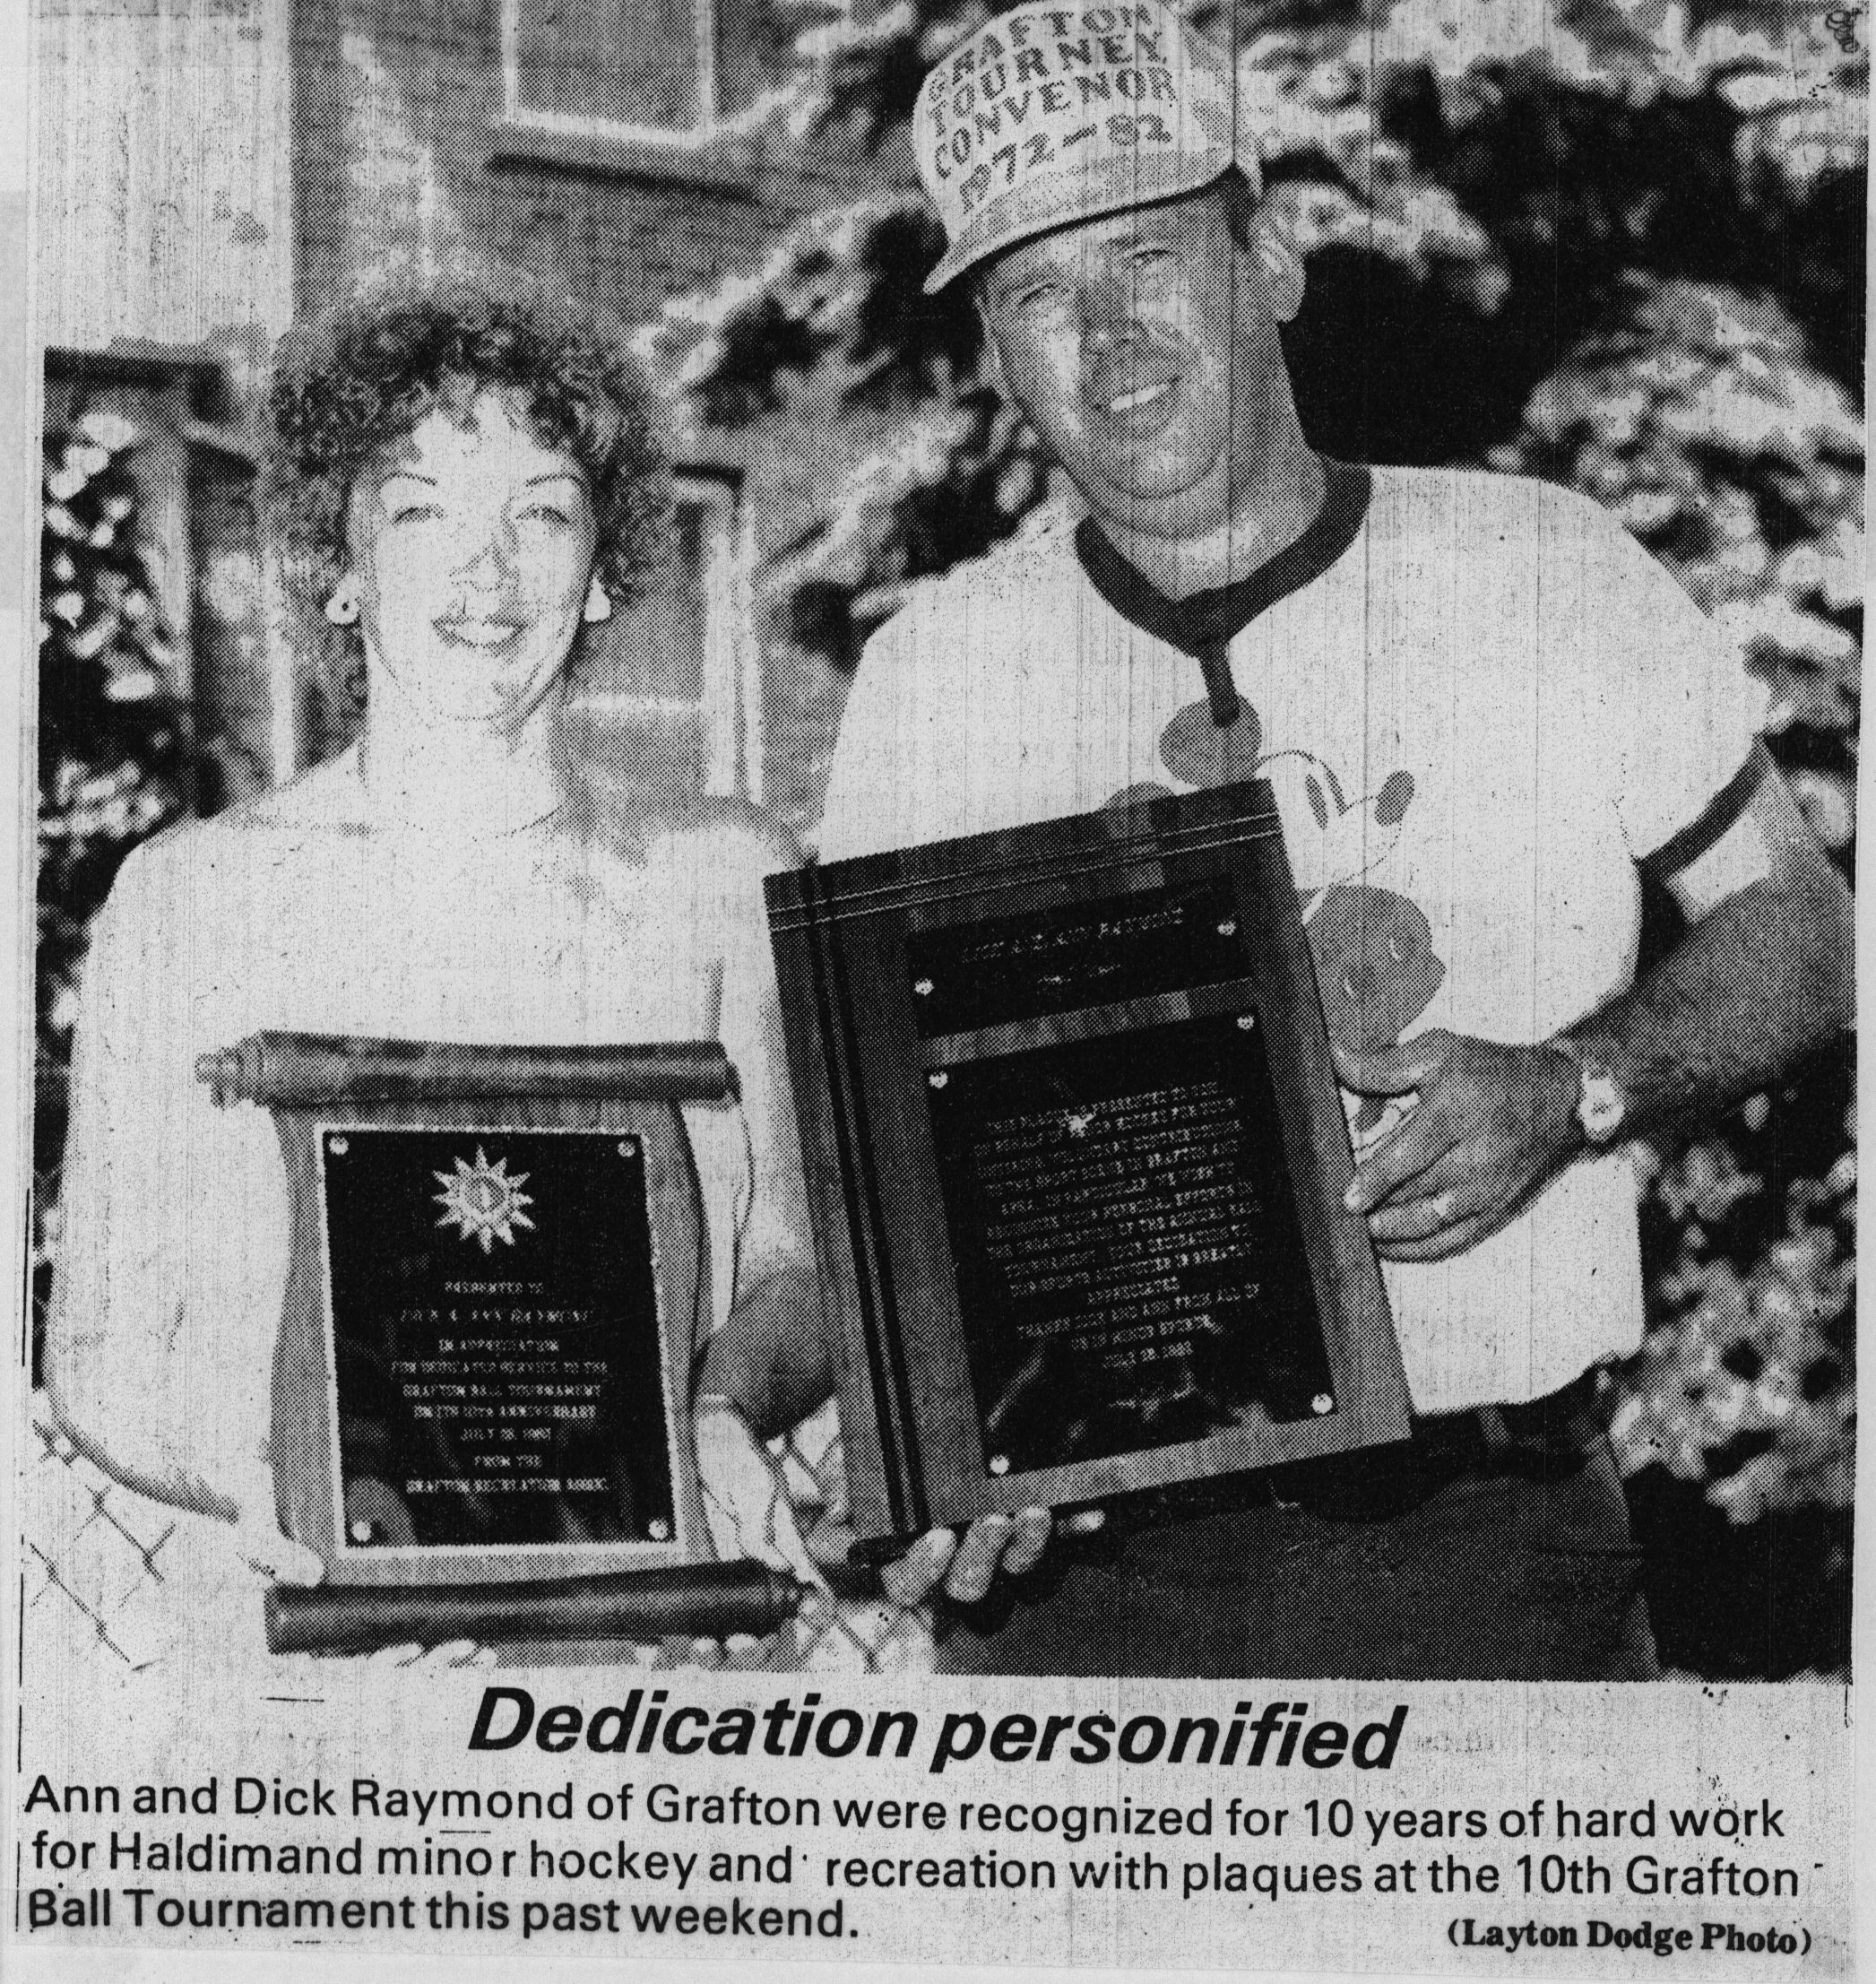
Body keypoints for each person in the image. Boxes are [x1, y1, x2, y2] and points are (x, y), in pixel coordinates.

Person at [699, 0, 1854, 1678]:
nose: (1107, 339)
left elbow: (1807, 931)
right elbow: (881, 1173)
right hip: (1076, 1602)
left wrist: (1571, 1087)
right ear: (995, 354)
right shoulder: (934, 671)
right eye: (1035, 294)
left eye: (1150, 258)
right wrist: (916, 1430)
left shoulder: (1540, 567)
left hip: (1483, 1559)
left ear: (1270, 258)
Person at [44, 276, 821, 1659]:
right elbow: (101, 1348)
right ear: (336, 566)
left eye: (540, 511)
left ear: (599, 574)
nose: (485, 574)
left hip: (653, 1661)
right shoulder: (190, 899)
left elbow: (803, 1268)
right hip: (320, 1674)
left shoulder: (731, 880)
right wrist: (263, 1467)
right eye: (418, 511)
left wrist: (720, 1404)